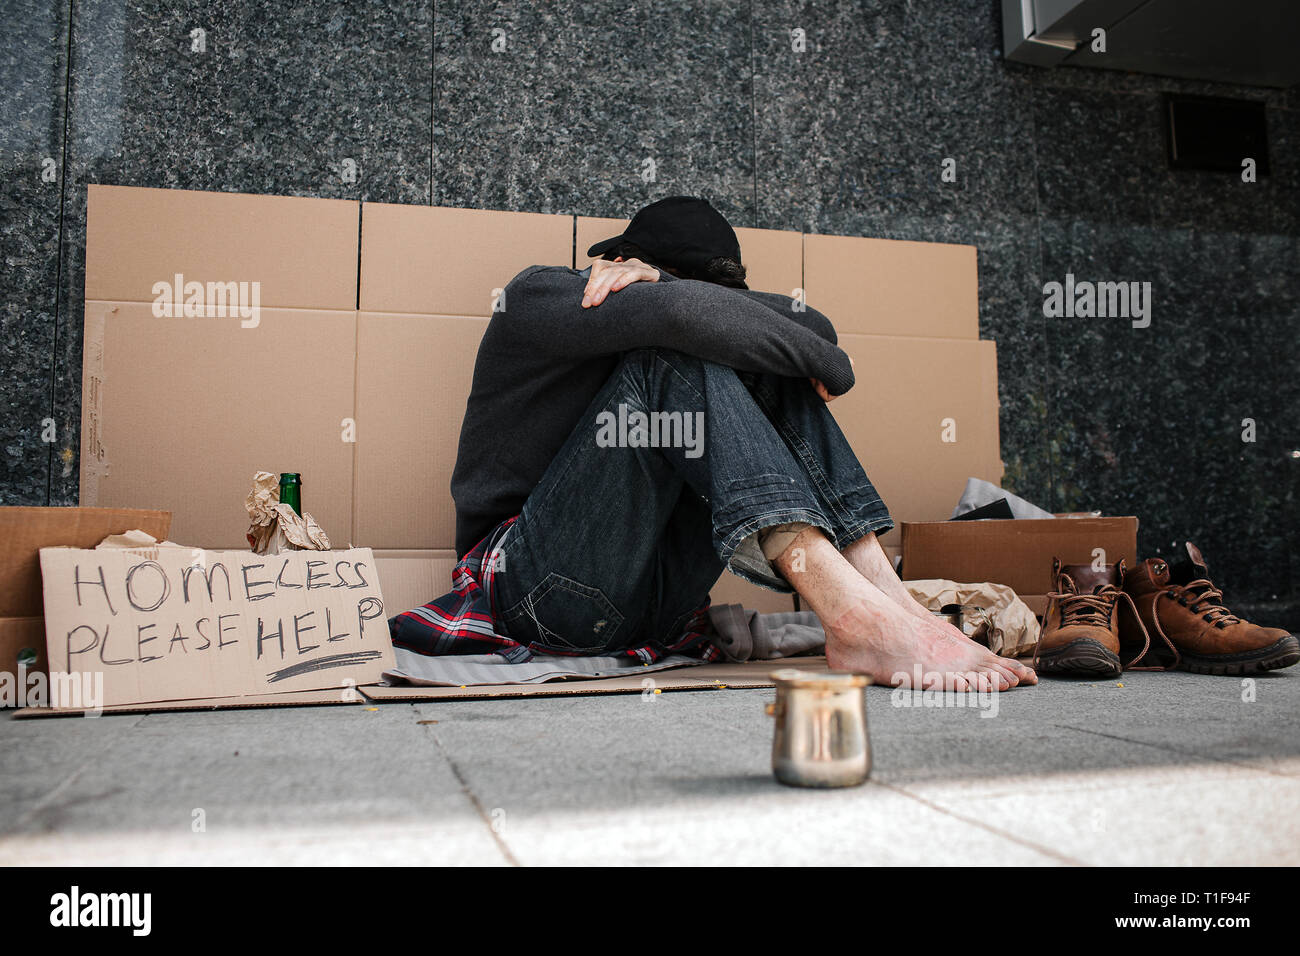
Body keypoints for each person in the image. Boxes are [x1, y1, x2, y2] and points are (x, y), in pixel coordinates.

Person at [391, 196, 1037, 692]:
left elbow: (816, 329)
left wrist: (678, 293)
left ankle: (888, 603)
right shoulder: (541, 295)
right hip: (537, 589)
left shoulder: (684, 301)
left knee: (756, 364)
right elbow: (687, 320)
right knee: (674, 360)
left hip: (661, 610)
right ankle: (854, 618)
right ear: (615, 266)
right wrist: (672, 297)